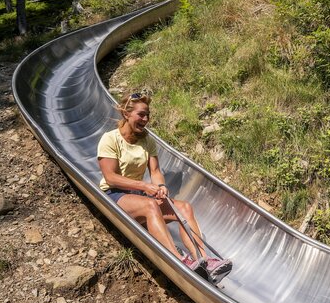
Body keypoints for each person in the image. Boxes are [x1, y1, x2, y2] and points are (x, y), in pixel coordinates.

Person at [97, 92, 232, 284]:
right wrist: (144, 185)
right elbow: (110, 177)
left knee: (184, 208)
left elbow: (155, 170)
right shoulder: (110, 139)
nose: (145, 119)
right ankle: (179, 261)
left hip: (138, 195)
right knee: (150, 205)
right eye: (141, 114)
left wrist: (160, 185)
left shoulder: (147, 141)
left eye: (147, 115)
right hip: (114, 194)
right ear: (127, 114)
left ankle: (204, 259)